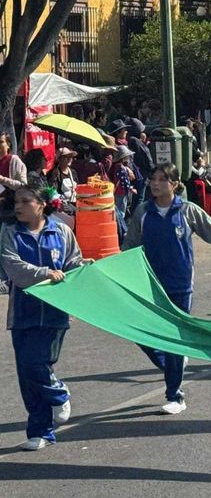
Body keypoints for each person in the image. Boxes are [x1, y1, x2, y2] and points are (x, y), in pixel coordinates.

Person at [122, 163, 211, 414]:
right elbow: (129, 247)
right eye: (153, 178)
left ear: (174, 184)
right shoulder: (142, 212)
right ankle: (173, 363)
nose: (155, 183)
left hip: (180, 285)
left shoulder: (187, 210)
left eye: (162, 179)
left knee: (173, 340)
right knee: (141, 334)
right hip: (150, 285)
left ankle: (175, 395)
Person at [1, 180, 84, 450]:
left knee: (37, 363)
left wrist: (84, 268)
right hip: (23, 313)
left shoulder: (60, 231)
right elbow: (12, 266)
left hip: (54, 313)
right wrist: (44, 273)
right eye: (16, 202)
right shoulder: (10, 232)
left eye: (26, 201)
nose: (19, 207)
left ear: (42, 205)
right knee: (27, 372)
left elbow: (73, 261)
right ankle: (40, 431)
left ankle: (59, 393)